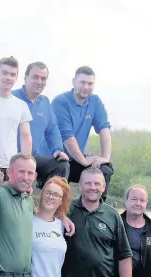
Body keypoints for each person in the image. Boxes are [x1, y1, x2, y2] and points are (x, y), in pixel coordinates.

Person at [45, 66, 113, 199]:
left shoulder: (95, 101)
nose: (86, 87)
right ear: (73, 82)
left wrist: (105, 157)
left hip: (77, 158)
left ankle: (97, 211)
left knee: (104, 170)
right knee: (63, 171)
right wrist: (84, 161)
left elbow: (104, 129)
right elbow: (67, 136)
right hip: (56, 157)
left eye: (90, 83)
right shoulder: (60, 102)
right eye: (82, 82)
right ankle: (58, 213)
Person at [12, 62, 69, 185]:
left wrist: (57, 150)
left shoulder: (45, 102)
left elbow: (52, 130)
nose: (39, 82)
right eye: (35, 77)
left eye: (43, 78)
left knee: (61, 165)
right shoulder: (11, 97)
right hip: (10, 157)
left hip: (32, 158)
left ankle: (51, 199)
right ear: (25, 77)